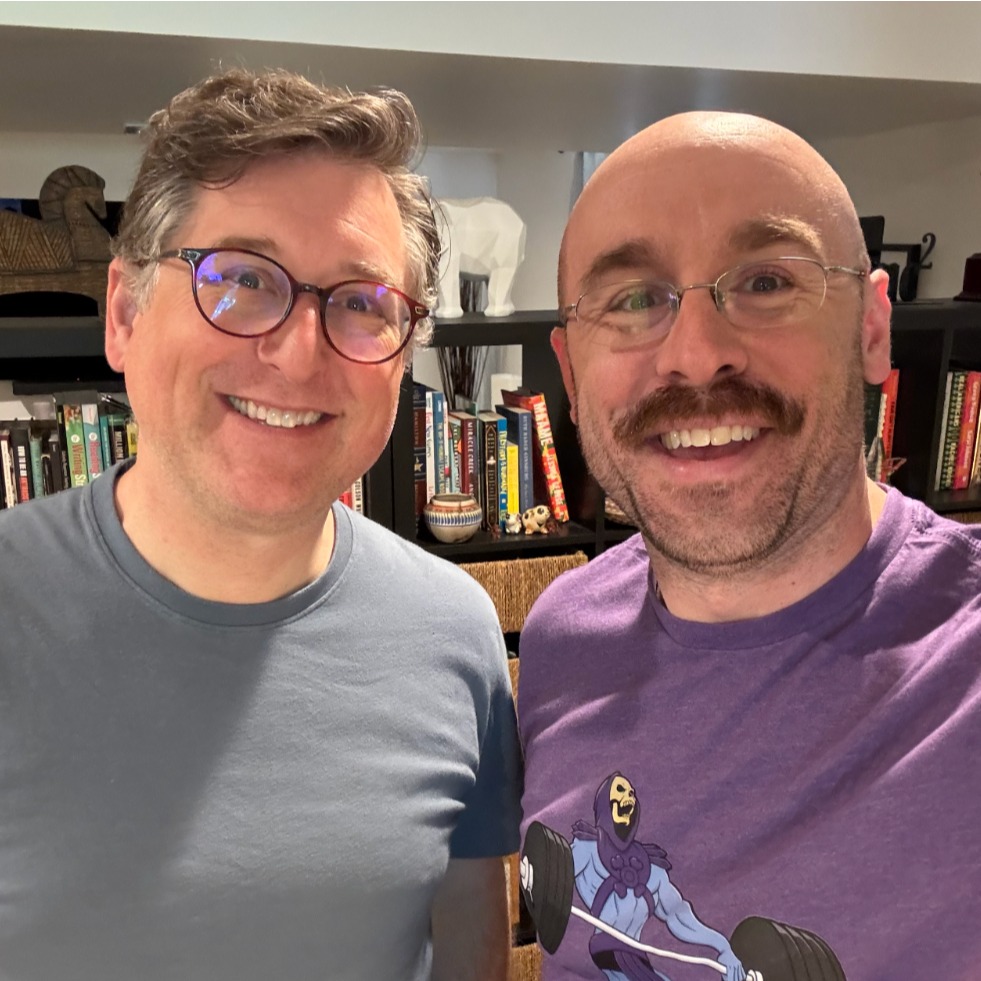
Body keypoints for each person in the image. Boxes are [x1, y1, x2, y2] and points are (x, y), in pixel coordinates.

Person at [0, 69, 521, 981]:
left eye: (360, 301)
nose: (296, 352)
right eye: (241, 278)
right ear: (123, 313)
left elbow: (469, 948)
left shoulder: (453, 631)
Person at [517, 111, 981, 981]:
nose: (696, 356)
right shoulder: (560, 635)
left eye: (766, 281)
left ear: (871, 328)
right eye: (632, 299)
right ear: (570, 374)